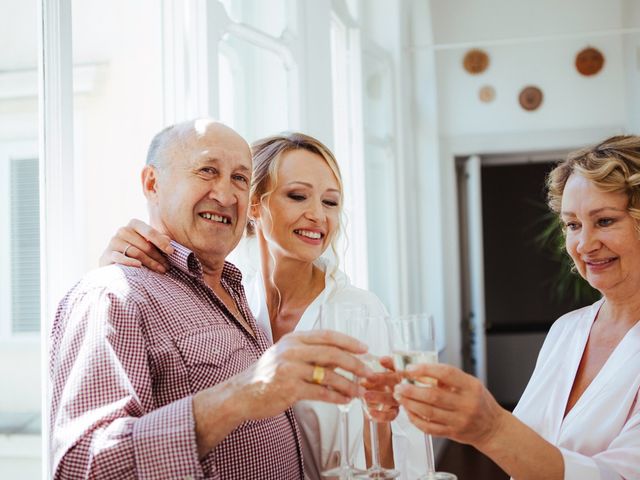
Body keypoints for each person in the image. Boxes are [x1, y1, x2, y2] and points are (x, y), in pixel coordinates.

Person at [49, 119, 374, 480]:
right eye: (207, 170)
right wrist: (240, 394)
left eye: (239, 179)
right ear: (152, 183)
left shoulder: (236, 291)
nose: (225, 194)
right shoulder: (112, 294)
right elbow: (82, 467)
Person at [394, 135, 640, 480]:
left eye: (604, 221)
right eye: (572, 224)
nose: (584, 244)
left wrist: (491, 426)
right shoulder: (567, 330)